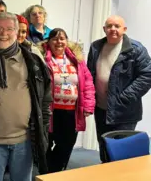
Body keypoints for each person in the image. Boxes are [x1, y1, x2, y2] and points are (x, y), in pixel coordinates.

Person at [0, 12, 52, 181]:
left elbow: (45, 98)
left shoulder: (33, 61)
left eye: (9, 29)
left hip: (24, 140)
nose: (3, 33)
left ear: (17, 31)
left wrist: (43, 128)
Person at [87, 15, 151, 162]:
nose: (113, 29)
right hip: (101, 109)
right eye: (109, 26)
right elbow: (90, 74)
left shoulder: (136, 49)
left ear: (124, 29)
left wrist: (124, 97)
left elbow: (147, 74)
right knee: (104, 147)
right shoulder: (96, 47)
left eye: (117, 26)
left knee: (122, 152)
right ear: (104, 29)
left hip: (125, 111)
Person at [39, 28, 95, 173]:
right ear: (49, 42)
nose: (59, 42)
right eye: (55, 39)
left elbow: (88, 83)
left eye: (62, 38)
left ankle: (54, 172)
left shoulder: (77, 59)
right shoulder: (42, 57)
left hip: (72, 112)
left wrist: (88, 106)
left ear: (67, 41)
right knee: (44, 144)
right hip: (49, 111)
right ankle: (46, 172)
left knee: (66, 145)